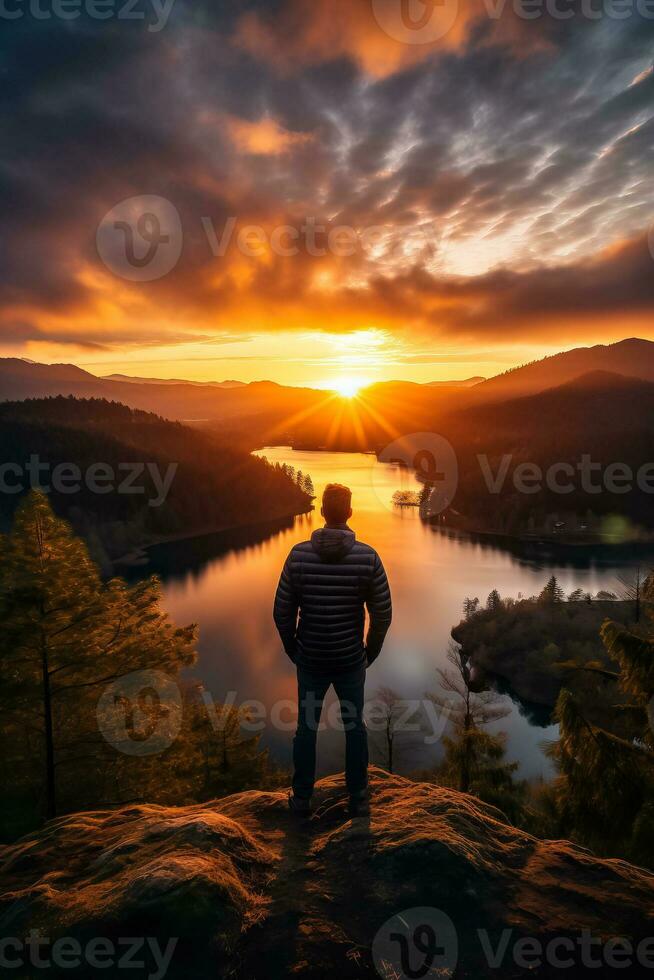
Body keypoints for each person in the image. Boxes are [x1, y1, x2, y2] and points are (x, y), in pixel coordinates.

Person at [273, 483, 392, 816]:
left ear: (322, 512)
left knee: (305, 728)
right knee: (355, 727)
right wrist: (370, 652)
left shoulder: (298, 555)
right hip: (349, 660)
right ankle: (358, 796)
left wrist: (293, 648)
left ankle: (301, 799)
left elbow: (282, 610)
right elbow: (382, 612)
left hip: (310, 659)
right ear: (350, 512)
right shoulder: (367, 557)